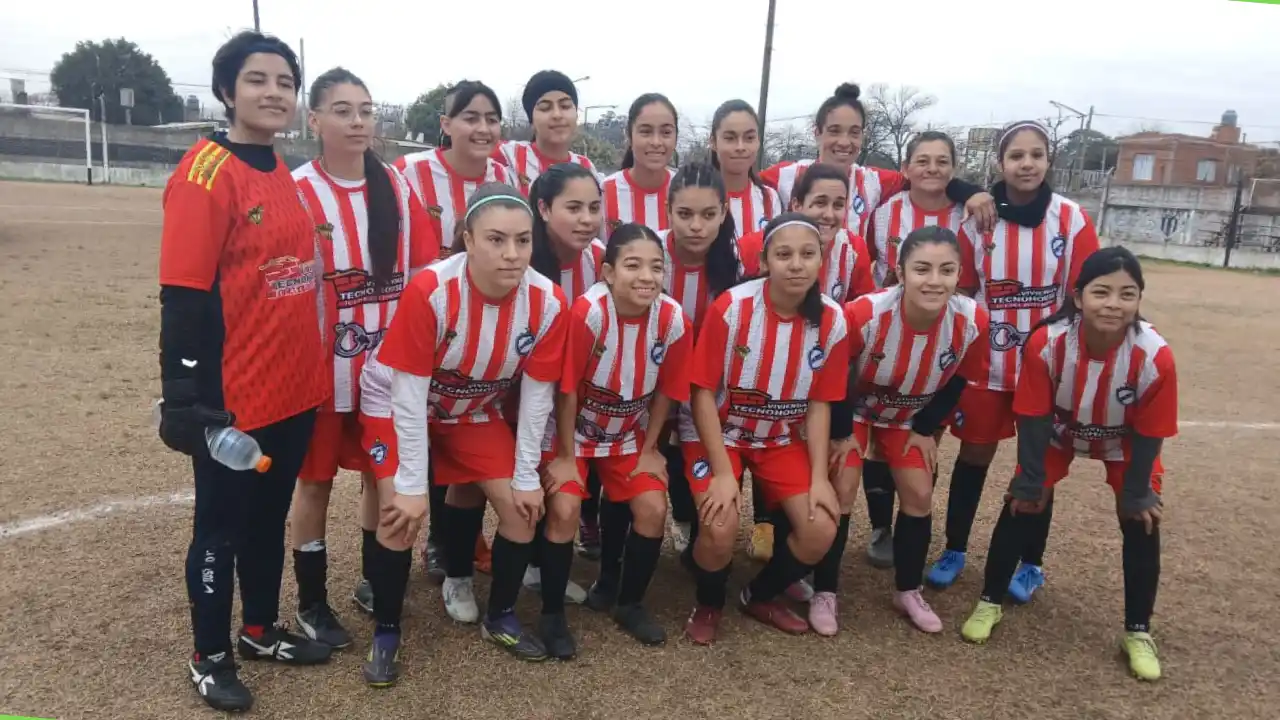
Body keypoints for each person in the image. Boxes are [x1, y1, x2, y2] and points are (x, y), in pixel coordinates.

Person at [158, 31, 331, 713]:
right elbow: (184, 292)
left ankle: (259, 629)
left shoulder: (279, 167)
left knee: (267, 519)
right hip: (236, 398)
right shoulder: (204, 173)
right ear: (227, 91)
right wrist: (183, 395)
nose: (273, 92)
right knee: (221, 528)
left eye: (285, 82)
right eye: (257, 80)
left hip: (291, 388)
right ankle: (209, 656)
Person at [960, 247, 1173, 683]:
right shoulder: (1049, 341)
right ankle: (989, 600)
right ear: (1078, 297)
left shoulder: (1155, 355)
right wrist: (1032, 480)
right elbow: (1034, 415)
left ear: (1139, 300)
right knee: (1023, 500)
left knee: (1141, 516)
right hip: (1058, 433)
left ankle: (1137, 631)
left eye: (1126, 294)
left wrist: (1136, 491)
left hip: (1123, 442)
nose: (1113, 303)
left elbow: (1151, 431)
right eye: (1102, 292)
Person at [375, 182, 568, 662]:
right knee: (401, 515)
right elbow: (408, 395)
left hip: (471, 409)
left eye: (523, 240)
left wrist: (526, 478)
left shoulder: (548, 302)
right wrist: (413, 485)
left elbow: (538, 399)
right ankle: (386, 632)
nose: (512, 254)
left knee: (524, 510)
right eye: (496, 239)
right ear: (467, 239)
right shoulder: (432, 290)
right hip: (398, 405)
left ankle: (500, 616)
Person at [289, 67, 437, 650]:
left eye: (366, 111)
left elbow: (424, 278)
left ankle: (376, 581)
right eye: (343, 110)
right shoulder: (298, 191)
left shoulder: (397, 188)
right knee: (316, 485)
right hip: (322, 379)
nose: (357, 122)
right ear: (315, 119)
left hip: (386, 379)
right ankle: (311, 599)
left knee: (382, 482)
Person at [928, 120, 1101, 593]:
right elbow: (963, 291)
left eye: (1036, 155)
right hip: (988, 363)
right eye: (1016, 156)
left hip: (1046, 368)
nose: (1027, 164)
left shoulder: (1071, 219)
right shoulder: (975, 220)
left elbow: (1085, 292)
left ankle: (1031, 561)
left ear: (1049, 160)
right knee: (974, 457)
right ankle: (955, 547)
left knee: (1037, 465)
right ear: (1000, 164)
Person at [682, 213, 848, 645]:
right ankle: (709, 603)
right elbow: (701, 394)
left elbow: (818, 404)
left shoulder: (832, 320)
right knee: (719, 528)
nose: (796, 265)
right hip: (720, 436)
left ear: (820, 260)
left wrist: (817, 479)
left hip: (778, 440)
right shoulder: (732, 309)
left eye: (807, 254)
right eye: (785, 254)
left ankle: (758, 595)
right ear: (765, 262)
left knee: (821, 528)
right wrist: (721, 472)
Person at [825, 226, 990, 635]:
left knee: (918, 491)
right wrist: (842, 433)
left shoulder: (973, 320)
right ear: (900, 273)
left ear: (959, 274)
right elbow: (835, 376)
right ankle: (824, 590)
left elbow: (960, 378)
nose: (934, 280)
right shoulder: (864, 313)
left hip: (907, 417)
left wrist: (925, 428)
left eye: (946, 270)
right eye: (922, 269)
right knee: (843, 487)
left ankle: (908, 589)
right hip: (858, 412)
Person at [545, 222, 694, 655]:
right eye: (633, 265)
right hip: (574, 433)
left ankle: (628, 602)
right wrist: (567, 456)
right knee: (567, 506)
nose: (646, 276)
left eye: (656, 267)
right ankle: (553, 616)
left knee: (651, 508)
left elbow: (668, 389)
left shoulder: (673, 319)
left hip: (628, 435)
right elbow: (567, 388)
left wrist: (651, 450)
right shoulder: (589, 313)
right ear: (608, 272)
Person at [394, 79, 514, 578]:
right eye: (470, 117)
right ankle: (385, 561)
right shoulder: (408, 173)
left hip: (481, 339)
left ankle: (454, 545)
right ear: (446, 125)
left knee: (471, 445)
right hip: (423, 330)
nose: (481, 127)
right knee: (408, 444)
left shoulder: (507, 176)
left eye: (490, 118)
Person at [738, 162, 874, 563]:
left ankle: (796, 551)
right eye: (818, 202)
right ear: (795, 203)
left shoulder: (854, 249)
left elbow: (856, 328)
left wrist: (844, 424)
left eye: (838, 204)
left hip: (821, 374)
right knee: (767, 436)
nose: (829, 213)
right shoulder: (755, 245)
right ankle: (763, 528)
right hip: (766, 372)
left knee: (813, 457)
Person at [521, 162, 607, 614]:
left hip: (575, 395)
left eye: (593, 207)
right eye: (573, 208)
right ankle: (458, 572)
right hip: (522, 388)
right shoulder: (524, 256)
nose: (585, 219)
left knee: (560, 479)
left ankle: (542, 565)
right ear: (543, 208)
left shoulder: (600, 258)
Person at [761, 83, 994, 240]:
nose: (844, 141)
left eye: (854, 132)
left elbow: (926, 178)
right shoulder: (785, 175)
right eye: (834, 131)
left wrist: (970, 192)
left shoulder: (875, 181)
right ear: (817, 132)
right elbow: (738, 179)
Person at [495, 70, 599, 194]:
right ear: (531, 119)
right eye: (545, 108)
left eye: (565, 106)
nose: (557, 115)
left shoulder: (586, 167)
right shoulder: (507, 155)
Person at [599, 93, 678, 237]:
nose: (656, 142)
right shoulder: (603, 191)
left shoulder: (686, 189)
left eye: (666, 132)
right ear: (628, 135)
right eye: (646, 132)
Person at [708, 99, 780, 237]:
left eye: (749, 138)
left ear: (758, 141)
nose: (740, 147)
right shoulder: (695, 195)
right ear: (713, 142)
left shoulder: (770, 198)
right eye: (730, 138)